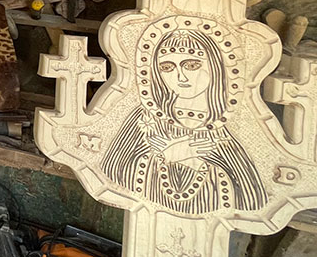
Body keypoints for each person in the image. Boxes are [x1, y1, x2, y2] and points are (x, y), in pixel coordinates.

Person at [101, 24, 267, 214]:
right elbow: (112, 172)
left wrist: (193, 160)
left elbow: (251, 197)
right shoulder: (145, 118)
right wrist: (169, 156)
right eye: (167, 67)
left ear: (215, 65)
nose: (180, 76)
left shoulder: (229, 127)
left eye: (191, 65)